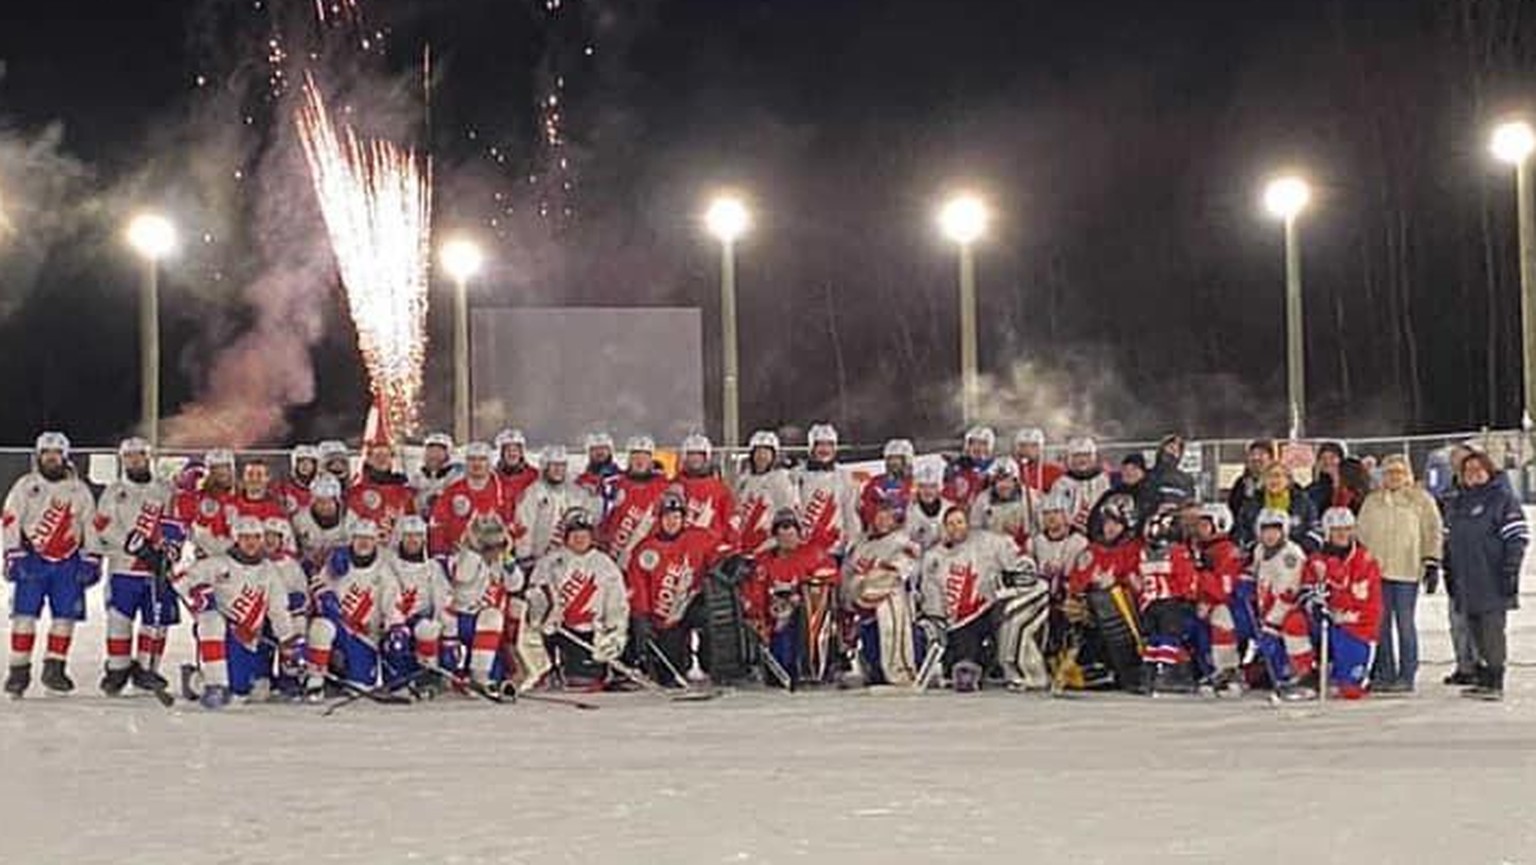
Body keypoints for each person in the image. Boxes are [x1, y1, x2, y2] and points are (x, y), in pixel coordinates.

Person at [3, 432, 99, 697]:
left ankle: (54, 668)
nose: (51, 458)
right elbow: (10, 519)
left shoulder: (79, 490)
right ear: (38, 456)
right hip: (32, 559)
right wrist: (12, 553)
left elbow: (91, 524)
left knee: (64, 618)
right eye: (46, 453)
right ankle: (18, 671)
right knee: (24, 616)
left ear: (64, 456)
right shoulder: (25, 485)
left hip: (68, 563)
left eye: (56, 453)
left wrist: (92, 556)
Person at [174, 516, 299, 708]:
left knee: (253, 691)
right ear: (236, 538)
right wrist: (199, 597)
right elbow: (180, 580)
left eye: (256, 537)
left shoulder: (269, 571)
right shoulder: (218, 564)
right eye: (245, 537)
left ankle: (194, 681)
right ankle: (214, 686)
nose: (251, 542)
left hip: (248, 639)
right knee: (211, 619)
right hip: (220, 636)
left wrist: (288, 641)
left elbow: (278, 609)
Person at [92, 437, 182, 695]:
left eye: (139, 455)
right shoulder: (114, 491)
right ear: (123, 460)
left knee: (156, 621)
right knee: (119, 619)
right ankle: (117, 670)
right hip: (123, 567)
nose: (134, 460)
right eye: (129, 456)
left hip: (157, 568)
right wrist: (134, 545)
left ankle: (146, 669)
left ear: (148, 458)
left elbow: (175, 525)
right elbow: (103, 524)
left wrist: (168, 552)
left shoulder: (164, 490)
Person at [1442, 450, 1527, 701]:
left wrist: (1510, 572)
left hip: (1492, 577)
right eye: (1468, 471)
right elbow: (1449, 541)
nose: (1473, 474)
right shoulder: (1457, 503)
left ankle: (1495, 680)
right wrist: (1447, 571)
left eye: (1479, 469)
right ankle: (1483, 678)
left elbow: (1517, 538)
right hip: (1465, 579)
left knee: (1491, 631)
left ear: (1489, 472)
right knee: (1474, 630)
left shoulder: (1502, 500)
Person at [916, 507, 1030, 691]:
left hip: (988, 609)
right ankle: (965, 667)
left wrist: (1012, 577)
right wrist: (936, 617)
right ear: (944, 527)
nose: (955, 527)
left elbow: (1016, 563)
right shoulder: (933, 556)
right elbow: (930, 593)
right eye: (950, 524)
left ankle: (1002, 667)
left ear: (968, 523)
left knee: (1003, 627)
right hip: (956, 621)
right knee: (960, 648)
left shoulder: (987, 542)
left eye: (959, 522)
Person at [1355, 455, 1443, 692]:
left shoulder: (1420, 500)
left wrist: (1431, 560)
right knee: (1380, 625)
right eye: (1389, 472)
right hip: (1378, 572)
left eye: (1399, 472)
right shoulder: (1373, 501)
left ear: (1407, 474)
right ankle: (1385, 672)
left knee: (1405, 623)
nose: (1394, 477)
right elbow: (1361, 534)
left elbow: (1432, 531)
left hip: (1406, 570)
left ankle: (1407, 673)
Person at [626, 493, 724, 685]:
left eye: (677, 516)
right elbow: (638, 587)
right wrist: (642, 616)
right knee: (668, 673)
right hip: (665, 619)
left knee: (715, 617)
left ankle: (713, 664)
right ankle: (679, 663)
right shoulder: (644, 549)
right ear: (659, 519)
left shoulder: (699, 537)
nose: (672, 521)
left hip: (693, 604)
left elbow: (720, 554)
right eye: (667, 516)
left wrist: (729, 563)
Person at [532, 509, 629, 691]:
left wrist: (612, 638)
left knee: (582, 679)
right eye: (574, 533)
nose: (579, 538)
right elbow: (535, 598)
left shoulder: (605, 565)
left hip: (590, 634)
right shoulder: (549, 562)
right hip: (556, 632)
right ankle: (548, 668)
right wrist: (544, 618)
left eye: (584, 533)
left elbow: (617, 607)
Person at [747, 509, 841, 685]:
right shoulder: (764, 561)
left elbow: (831, 577)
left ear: (799, 533)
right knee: (781, 654)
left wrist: (802, 592)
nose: (787, 538)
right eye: (781, 533)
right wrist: (757, 617)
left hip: (807, 617)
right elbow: (755, 593)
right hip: (775, 618)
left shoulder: (814, 554)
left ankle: (818, 664)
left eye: (791, 532)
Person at [305, 519, 394, 698]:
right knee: (321, 626)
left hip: (365, 637)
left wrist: (395, 625)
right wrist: (325, 596)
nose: (364, 543)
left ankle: (344, 676)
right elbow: (317, 583)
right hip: (338, 626)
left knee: (360, 687)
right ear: (351, 540)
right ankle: (315, 680)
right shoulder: (337, 560)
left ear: (376, 541)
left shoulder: (384, 568)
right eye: (359, 538)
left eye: (368, 538)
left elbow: (392, 602)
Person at [1063, 495, 1143, 690]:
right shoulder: (1092, 550)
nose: (1109, 527)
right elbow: (1077, 580)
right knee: (1074, 609)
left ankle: (1127, 669)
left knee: (1106, 601)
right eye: (1106, 522)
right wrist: (1082, 594)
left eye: (1115, 523)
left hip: (1130, 615)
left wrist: (1119, 581)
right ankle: (1090, 663)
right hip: (1095, 611)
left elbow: (1138, 582)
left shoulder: (1136, 549)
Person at [842, 499, 921, 686]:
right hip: (865, 613)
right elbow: (848, 575)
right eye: (879, 514)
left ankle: (901, 670)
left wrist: (866, 585)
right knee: (872, 655)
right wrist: (854, 592)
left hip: (893, 608)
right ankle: (872, 670)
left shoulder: (904, 542)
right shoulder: (859, 544)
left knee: (895, 645)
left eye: (888, 515)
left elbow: (897, 573)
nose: (883, 520)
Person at [447, 513, 531, 689]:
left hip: (486, 629)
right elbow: (462, 580)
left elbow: (515, 585)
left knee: (497, 673)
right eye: (489, 545)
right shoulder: (464, 558)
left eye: (498, 544)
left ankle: (479, 675)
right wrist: (474, 553)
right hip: (461, 620)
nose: (495, 550)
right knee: (492, 616)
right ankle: (470, 676)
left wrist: (508, 558)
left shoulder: (500, 560)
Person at [1307, 507, 1383, 699]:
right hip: (1329, 624)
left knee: (1351, 691)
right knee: (1295, 624)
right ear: (1326, 532)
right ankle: (1306, 673)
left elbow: (1367, 601)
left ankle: (1346, 673)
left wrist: (1339, 609)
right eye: (1336, 529)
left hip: (1358, 628)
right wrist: (1314, 604)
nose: (1342, 534)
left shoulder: (1364, 559)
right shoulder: (1317, 560)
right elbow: (1306, 588)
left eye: (1347, 529)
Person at [379, 514, 455, 692]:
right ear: (400, 537)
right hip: (393, 622)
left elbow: (443, 599)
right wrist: (395, 622)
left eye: (418, 535)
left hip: (422, 621)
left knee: (428, 629)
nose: (413, 540)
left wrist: (448, 633)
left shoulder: (433, 567)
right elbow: (388, 595)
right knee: (398, 637)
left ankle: (428, 676)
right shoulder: (388, 562)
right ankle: (398, 682)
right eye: (408, 535)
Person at [1131, 510, 1199, 694]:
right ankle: (1166, 673)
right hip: (1170, 603)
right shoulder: (1176, 552)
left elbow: (1135, 578)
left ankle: (1148, 674)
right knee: (1170, 638)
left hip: (1148, 604)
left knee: (1153, 640)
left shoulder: (1143, 553)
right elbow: (1187, 579)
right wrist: (1190, 597)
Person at [1251, 508, 1316, 698]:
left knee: (1292, 627)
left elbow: (1289, 595)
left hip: (1291, 611)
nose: (1270, 535)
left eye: (1275, 530)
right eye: (1266, 530)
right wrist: (1245, 577)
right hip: (1268, 611)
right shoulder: (1260, 550)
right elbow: (1255, 572)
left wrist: (1271, 623)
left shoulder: (1290, 556)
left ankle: (1304, 674)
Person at [1190, 503, 1245, 692]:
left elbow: (1224, 590)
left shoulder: (1227, 551)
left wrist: (1206, 596)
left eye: (1204, 525)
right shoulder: (1198, 548)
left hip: (1232, 607)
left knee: (1221, 618)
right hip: (1202, 603)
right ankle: (1205, 669)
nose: (1199, 530)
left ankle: (1227, 669)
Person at [428, 442, 512, 557]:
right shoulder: (452, 491)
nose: (476, 464)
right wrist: (441, 554)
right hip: (457, 556)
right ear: (466, 463)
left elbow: (512, 524)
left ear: (490, 463)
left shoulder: (503, 491)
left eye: (482, 459)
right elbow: (438, 524)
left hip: (495, 556)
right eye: (472, 459)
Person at [600, 436, 671, 569]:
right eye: (636, 456)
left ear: (651, 460)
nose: (640, 461)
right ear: (629, 459)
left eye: (644, 456)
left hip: (650, 556)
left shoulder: (664, 486)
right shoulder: (614, 484)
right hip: (616, 554)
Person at [514, 446, 594, 563]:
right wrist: (524, 555)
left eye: (562, 465)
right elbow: (524, 526)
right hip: (540, 559)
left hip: (571, 559)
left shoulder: (577, 492)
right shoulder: (533, 493)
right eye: (554, 465)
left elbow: (588, 521)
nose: (558, 470)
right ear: (545, 467)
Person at [795, 423, 860, 559]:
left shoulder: (845, 476)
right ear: (812, 447)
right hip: (804, 547)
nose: (825, 449)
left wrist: (853, 542)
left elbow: (850, 512)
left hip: (835, 548)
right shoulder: (797, 474)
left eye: (829, 445)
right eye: (820, 445)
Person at [261, 516, 309, 698]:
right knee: (258, 686)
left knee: (298, 624)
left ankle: (290, 675)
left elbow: (303, 593)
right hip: (260, 620)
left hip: (285, 619)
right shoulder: (255, 562)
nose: (270, 540)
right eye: (266, 536)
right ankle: (262, 673)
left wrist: (298, 600)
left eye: (275, 536)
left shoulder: (292, 566)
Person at [733, 430, 800, 555]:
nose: (762, 456)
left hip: (769, 546)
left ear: (774, 455)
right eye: (758, 451)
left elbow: (787, 515)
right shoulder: (743, 480)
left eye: (766, 452)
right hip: (744, 543)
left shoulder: (781, 479)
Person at [1235, 462, 1321, 552]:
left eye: (1277, 475)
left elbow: (1316, 531)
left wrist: (1299, 548)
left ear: (1288, 480)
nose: (1273, 480)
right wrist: (1253, 547)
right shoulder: (1251, 504)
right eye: (1268, 476)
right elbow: (1241, 531)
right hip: (1260, 556)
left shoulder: (1304, 503)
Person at [347, 438, 416, 540]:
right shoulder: (357, 490)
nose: (382, 459)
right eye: (377, 456)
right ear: (369, 459)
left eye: (386, 455)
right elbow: (351, 523)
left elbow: (410, 521)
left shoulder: (404, 489)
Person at [674, 434, 735, 543]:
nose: (695, 459)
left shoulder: (720, 489)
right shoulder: (674, 486)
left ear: (707, 457)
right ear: (684, 457)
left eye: (699, 454)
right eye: (691, 454)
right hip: (680, 546)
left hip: (711, 547)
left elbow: (729, 520)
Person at [968, 456, 1036, 548]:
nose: (1003, 485)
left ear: (1015, 480)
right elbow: (975, 530)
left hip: (1023, 548)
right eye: (999, 480)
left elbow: (1040, 526)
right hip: (992, 549)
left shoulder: (1029, 496)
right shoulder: (982, 500)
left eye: (1007, 479)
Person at [291, 475, 350, 576]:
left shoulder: (350, 520)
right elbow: (291, 549)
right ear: (313, 501)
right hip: (307, 570)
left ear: (337, 501)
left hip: (339, 572)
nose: (324, 506)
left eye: (329, 501)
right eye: (320, 501)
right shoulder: (299, 519)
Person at [1049, 437, 1110, 534]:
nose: (1082, 460)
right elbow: (1056, 511)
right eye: (1077, 456)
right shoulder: (1061, 483)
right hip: (1069, 533)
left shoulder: (1104, 480)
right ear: (1069, 458)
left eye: (1086, 455)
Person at [186, 448, 238, 556]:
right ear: (208, 472)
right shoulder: (196, 498)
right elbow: (192, 533)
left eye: (225, 468)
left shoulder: (241, 497)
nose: (221, 473)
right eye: (216, 469)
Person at [859, 439, 916, 532]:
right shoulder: (876, 483)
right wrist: (879, 515)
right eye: (890, 459)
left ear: (907, 460)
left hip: (909, 533)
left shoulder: (917, 484)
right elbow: (865, 507)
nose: (893, 463)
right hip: (881, 534)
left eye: (898, 459)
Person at [409, 432, 462, 517]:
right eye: (431, 451)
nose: (433, 455)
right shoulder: (418, 476)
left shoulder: (455, 476)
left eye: (438, 451)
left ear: (448, 454)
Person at [1226, 440, 1275, 529]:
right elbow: (1234, 506)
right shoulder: (1241, 483)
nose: (1256, 458)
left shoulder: (1280, 482)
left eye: (1261, 454)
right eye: (1252, 454)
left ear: (1271, 459)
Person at [905, 460, 951, 552]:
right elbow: (907, 538)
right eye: (923, 486)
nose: (928, 491)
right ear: (918, 489)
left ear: (939, 488)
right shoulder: (911, 510)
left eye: (932, 486)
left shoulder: (950, 508)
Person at [575, 432, 623, 522]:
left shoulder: (622, 477)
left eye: (603, 448)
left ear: (610, 451)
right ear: (588, 452)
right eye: (595, 449)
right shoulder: (580, 481)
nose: (599, 452)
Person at [943, 426, 996, 507]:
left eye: (982, 444)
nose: (977, 447)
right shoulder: (956, 465)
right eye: (973, 443)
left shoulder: (994, 467)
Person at [226, 459, 289, 527]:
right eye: (250, 474)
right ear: (243, 477)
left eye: (259, 475)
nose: (254, 479)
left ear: (268, 478)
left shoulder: (277, 510)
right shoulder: (229, 504)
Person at [493, 428, 539, 512]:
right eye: (508, 450)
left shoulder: (534, 476)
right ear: (502, 454)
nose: (512, 454)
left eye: (515, 450)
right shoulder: (493, 476)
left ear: (521, 453)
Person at [1147, 434, 1197, 510]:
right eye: (1170, 448)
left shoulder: (1186, 479)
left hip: (1178, 516)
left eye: (1176, 450)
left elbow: (1190, 502)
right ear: (1162, 450)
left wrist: (1178, 507)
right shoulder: (1149, 476)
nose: (1172, 453)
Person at [1012, 427, 1063, 493]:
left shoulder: (1054, 471)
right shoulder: (1011, 469)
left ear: (1041, 448)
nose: (1028, 450)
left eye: (1034, 445)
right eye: (1023, 445)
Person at [274, 444, 320, 515]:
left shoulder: (322, 488)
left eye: (309, 462)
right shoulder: (282, 487)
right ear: (295, 463)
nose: (305, 465)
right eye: (302, 461)